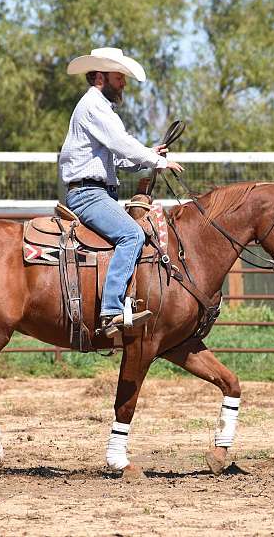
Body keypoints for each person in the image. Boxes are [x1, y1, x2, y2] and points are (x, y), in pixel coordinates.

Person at [59, 47, 184, 334]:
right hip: (88, 195)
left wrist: (149, 153)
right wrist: (157, 160)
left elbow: (118, 156)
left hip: (95, 193)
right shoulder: (95, 107)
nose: (124, 83)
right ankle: (112, 309)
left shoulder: (96, 108)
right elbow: (122, 143)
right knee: (133, 234)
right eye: (119, 77)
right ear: (101, 76)